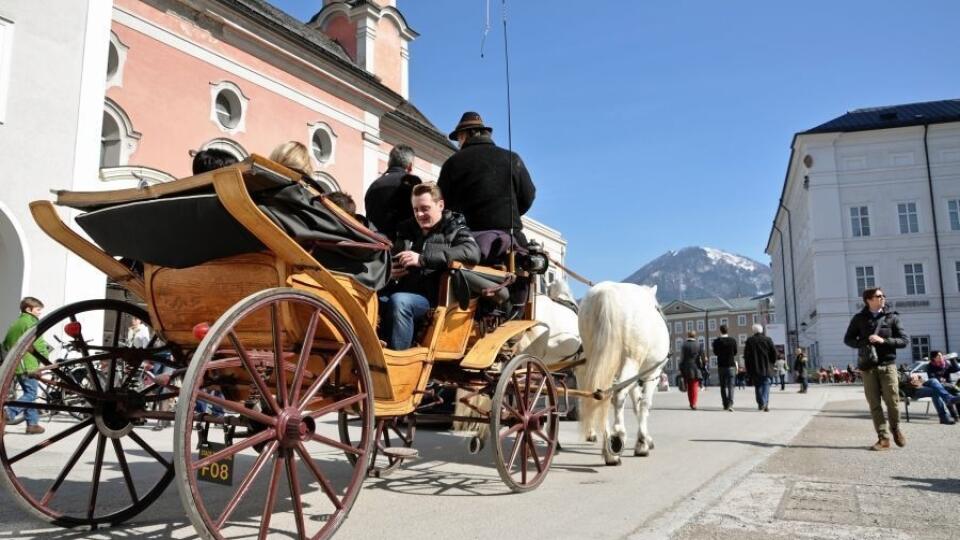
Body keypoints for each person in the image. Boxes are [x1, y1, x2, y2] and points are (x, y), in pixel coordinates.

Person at [378, 182, 480, 350]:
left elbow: (472, 252)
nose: (419, 214)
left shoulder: (455, 228)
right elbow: (393, 259)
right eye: (415, 209)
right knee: (369, 298)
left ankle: (400, 362)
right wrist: (390, 272)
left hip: (433, 300)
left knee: (400, 302)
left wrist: (423, 259)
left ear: (440, 205)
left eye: (425, 208)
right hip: (402, 290)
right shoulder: (405, 230)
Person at [437, 111, 536, 249]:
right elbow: (528, 196)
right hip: (510, 241)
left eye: (459, 139)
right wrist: (505, 213)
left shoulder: (453, 163)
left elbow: (441, 204)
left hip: (469, 242)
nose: (459, 144)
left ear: (464, 135)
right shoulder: (512, 158)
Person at [843, 287, 908, 451]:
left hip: (888, 365)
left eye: (883, 295)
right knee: (874, 404)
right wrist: (863, 343)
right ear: (868, 300)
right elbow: (848, 339)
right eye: (878, 296)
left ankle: (895, 428)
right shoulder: (859, 318)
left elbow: (904, 340)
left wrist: (883, 341)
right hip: (868, 367)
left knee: (893, 402)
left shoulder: (892, 317)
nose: (882, 298)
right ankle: (883, 438)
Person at [3, 297, 50, 434]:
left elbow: (5, 343)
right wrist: (45, 359)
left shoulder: (17, 322)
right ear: (28, 309)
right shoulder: (31, 322)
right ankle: (9, 413)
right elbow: (39, 342)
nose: (40, 313)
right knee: (30, 394)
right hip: (28, 364)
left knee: (30, 393)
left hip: (17, 364)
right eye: (38, 310)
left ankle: (32, 424)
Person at [364, 144, 421, 241]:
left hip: (374, 244)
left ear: (389, 163)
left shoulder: (374, 185)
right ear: (410, 166)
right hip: (402, 248)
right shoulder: (412, 184)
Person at [744, 324, 777, 412]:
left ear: (753, 331)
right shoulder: (768, 339)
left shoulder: (750, 341)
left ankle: (761, 403)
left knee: (758, 385)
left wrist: (748, 367)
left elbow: (746, 356)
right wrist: (772, 363)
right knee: (766, 384)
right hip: (766, 366)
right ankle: (764, 402)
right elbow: (774, 353)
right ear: (762, 330)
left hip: (754, 367)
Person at [712, 325, 738, 411]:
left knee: (722, 386)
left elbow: (715, 353)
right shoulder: (732, 340)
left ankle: (725, 404)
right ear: (727, 330)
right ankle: (730, 403)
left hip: (721, 366)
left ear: (720, 331)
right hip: (731, 365)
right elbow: (735, 352)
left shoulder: (716, 341)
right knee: (731, 386)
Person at [679, 331, 704, 410]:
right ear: (695, 336)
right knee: (694, 386)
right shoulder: (699, 345)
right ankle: (694, 403)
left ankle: (691, 403)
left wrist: (680, 367)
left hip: (686, 367)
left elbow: (682, 358)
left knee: (689, 387)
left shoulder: (684, 345)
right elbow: (702, 357)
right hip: (695, 368)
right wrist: (702, 366)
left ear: (688, 335)